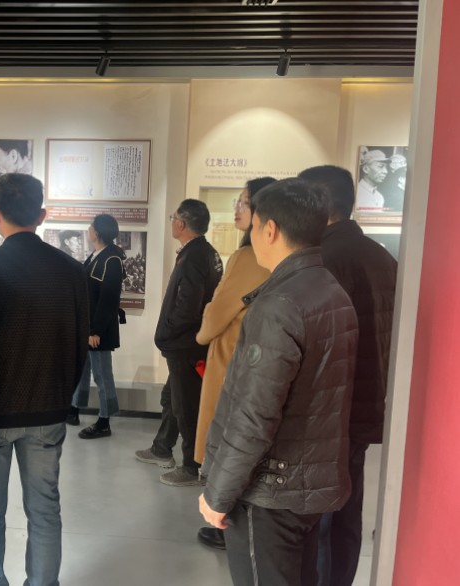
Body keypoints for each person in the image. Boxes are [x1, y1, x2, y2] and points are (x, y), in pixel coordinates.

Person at [198, 178, 359, 586]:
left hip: (269, 492)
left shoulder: (278, 305)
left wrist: (218, 493)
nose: (252, 235)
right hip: (309, 486)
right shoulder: (330, 290)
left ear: (269, 229)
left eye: (254, 226)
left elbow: (253, 416)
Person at [0, 173, 89, 586]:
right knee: (45, 509)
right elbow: (79, 344)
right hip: (47, 408)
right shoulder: (72, 271)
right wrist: (63, 395)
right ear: (42, 215)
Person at [298, 165, 398, 586]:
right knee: (347, 514)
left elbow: (319, 346)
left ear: (319, 205)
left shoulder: (326, 259)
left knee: (320, 521)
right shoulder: (380, 255)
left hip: (331, 411)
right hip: (365, 403)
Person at [193, 177, 275, 551]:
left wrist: (203, 329)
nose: (236, 208)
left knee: (227, 440)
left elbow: (217, 313)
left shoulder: (246, 257)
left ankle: (224, 520)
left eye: (243, 201)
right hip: (257, 358)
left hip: (232, 357)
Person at [135, 199, 222, 487]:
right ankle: (162, 448)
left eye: (173, 217)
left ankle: (191, 466)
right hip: (187, 343)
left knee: (186, 407)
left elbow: (188, 306)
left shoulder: (195, 256)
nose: (171, 221)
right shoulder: (204, 252)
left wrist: (168, 333)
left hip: (185, 345)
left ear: (181, 224)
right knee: (172, 399)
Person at [66, 214, 126, 438]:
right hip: (88, 327)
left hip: (99, 330)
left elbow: (109, 300)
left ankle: (104, 421)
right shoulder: (97, 255)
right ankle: (74, 409)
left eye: (91, 227)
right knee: (82, 370)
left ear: (98, 232)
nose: (88, 230)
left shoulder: (112, 260)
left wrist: (95, 330)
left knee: (102, 376)